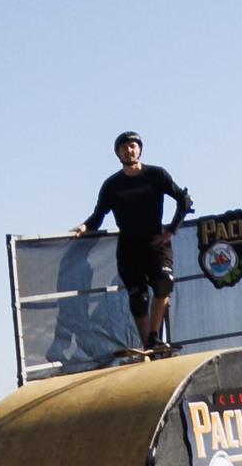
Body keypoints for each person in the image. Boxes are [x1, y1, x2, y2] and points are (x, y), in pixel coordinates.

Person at [80, 138, 194, 362]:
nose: (129, 150)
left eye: (133, 146)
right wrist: (85, 227)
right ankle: (148, 349)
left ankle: (154, 338)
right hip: (129, 249)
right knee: (138, 300)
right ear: (117, 153)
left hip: (156, 244)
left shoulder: (156, 175)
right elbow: (98, 215)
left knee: (163, 282)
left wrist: (171, 230)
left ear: (140, 149)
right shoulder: (112, 185)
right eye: (124, 147)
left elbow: (184, 200)